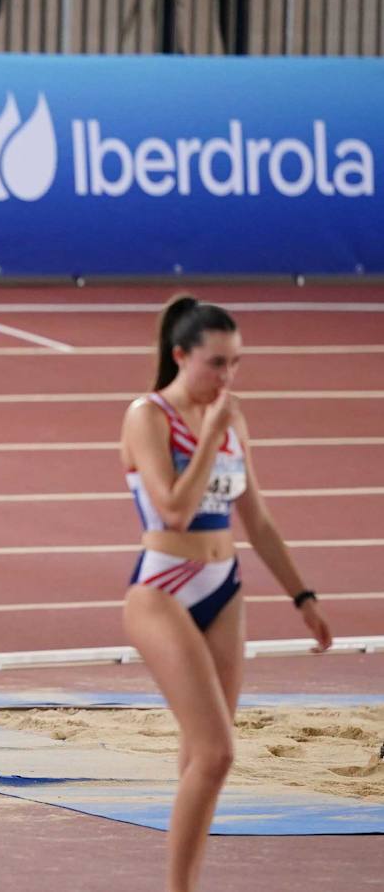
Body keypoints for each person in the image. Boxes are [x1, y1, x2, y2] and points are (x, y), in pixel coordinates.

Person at [120, 295, 332, 891]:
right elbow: (174, 510)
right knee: (219, 753)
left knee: (200, 755)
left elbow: (257, 520)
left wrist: (303, 597)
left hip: (224, 588)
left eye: (236, 364)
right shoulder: (149, 416)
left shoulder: (232, 419)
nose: (228, 378)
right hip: (162, 588)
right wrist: (210, 435)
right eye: (217, 363)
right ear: (181, 355)